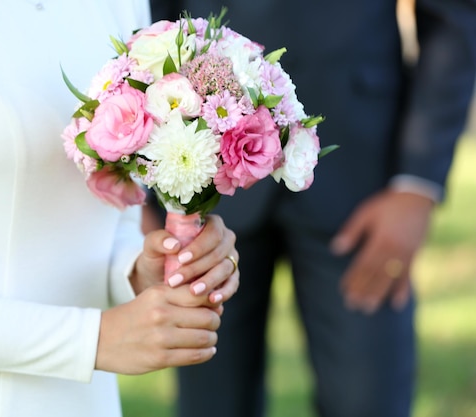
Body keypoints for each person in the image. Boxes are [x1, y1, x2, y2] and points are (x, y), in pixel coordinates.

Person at [0, 1, 241, 416]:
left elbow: (112, 223)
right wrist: (93, 340)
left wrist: (141, 269)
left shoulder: (122, 6)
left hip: (84, 402)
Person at [149, 1, 476, 417]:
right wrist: (149, 189)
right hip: (204, 171)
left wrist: (418, 186)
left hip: (361, 182)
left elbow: (453, 18)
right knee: (209, 403)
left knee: (368, 401)